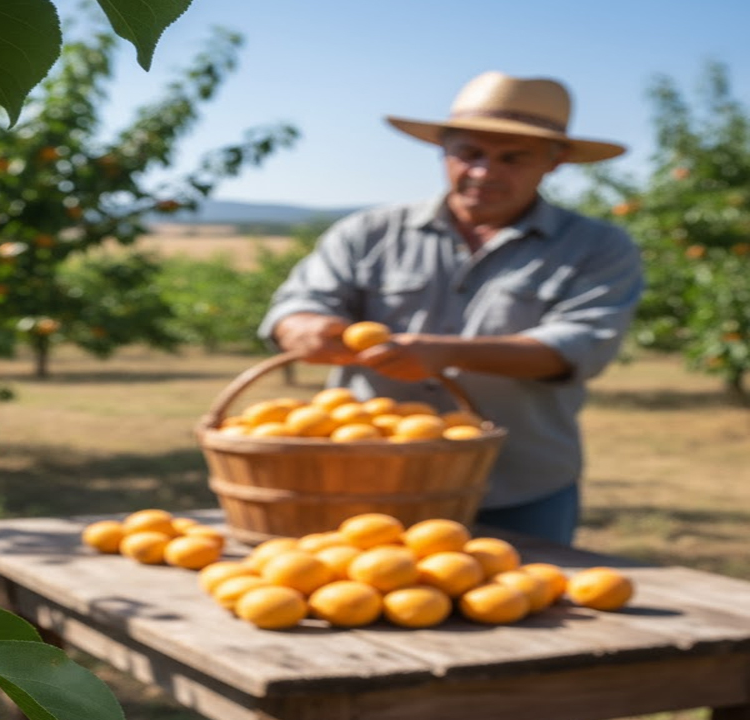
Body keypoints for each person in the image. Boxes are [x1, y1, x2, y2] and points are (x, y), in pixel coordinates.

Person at [259, 71, 645, 545]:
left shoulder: (597, 247)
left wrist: (445, 353)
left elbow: (577, 347)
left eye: (513, 158)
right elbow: (298, 306)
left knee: (519, 606)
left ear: (555, 161)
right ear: (443, 150)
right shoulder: (369, 233)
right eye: (469, 154)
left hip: (516, 486)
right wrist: (305, 328)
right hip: (366, 477)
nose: (484, 172)